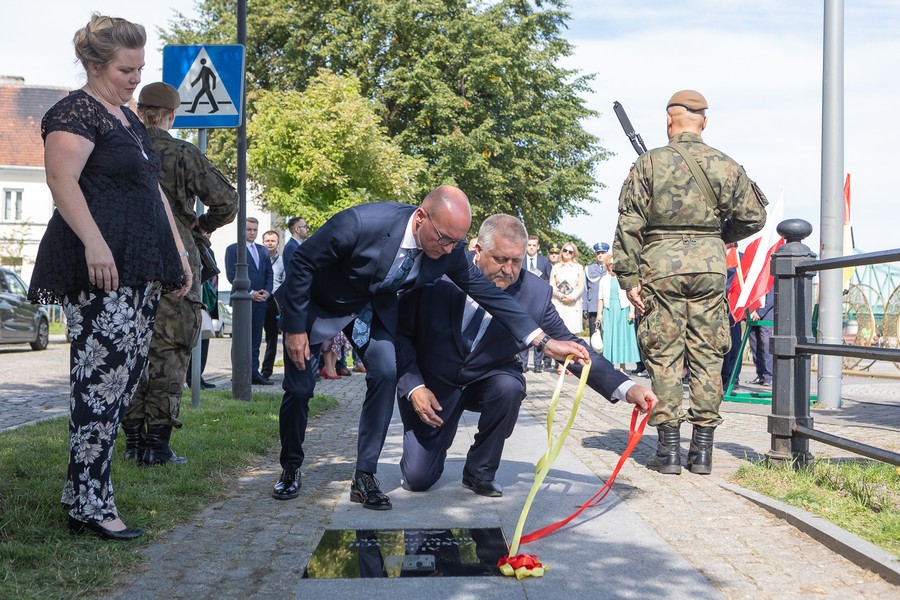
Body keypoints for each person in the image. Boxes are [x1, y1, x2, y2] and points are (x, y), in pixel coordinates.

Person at [273, 185, 589, 507]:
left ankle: (364, 475)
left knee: (386, 373)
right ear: (421, 217)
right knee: (299, 389)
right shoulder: (360, 222)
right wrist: (295, 327)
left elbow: (489, 295)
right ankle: (290, 467)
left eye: (457, 242)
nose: (450, 248)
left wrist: (543, 342)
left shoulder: (449, 251)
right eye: (444, 239)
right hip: (319, 306)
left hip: (374, 312)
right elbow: (302, 262)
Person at [26, 14, 191, 540]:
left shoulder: (127, 120)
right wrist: (95, 243)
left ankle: (83, 496)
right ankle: (92, 505)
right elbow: (61, 180)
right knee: (100, 387)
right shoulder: (74, 112)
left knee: (120, 386)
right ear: (95, 65)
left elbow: (152, 189)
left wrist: (178, 252)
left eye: (140, 68)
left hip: (138, 266)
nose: (136, 79)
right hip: (101, 268)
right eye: (126, 70)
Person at [396, 214, 655, 496]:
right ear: (478, 250)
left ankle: (479, 470)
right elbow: (401, 333)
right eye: (500, 259)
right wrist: (414, 386)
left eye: (516, 261)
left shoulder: (535, 293)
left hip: (489, 378)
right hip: (434, 385)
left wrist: (627, 388)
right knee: (418, 478)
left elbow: (570, 344)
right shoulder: (439, 272)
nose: (508, 270)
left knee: (508, 387)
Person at [612, 89, 768, 475]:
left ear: (669, 120)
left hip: (660, 267)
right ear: (705, 122)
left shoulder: (649, 163)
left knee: (663, 354)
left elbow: (630, 224)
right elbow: (755, 217)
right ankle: (702, 452)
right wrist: (715, 237)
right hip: (710, 269)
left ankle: (668, 452)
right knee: (707, 354)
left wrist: (629, 277)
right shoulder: (726, 165)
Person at [122, 82, 238, 467]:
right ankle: (157, 446)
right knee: (169, 350)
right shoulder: (183, 154)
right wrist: (201, 225)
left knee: (129, 348)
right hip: (175, 259)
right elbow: (227, 201)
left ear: (140, 111)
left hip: (123, 258)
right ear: (171, 116)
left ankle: (133, 441)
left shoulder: (120, 149)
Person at [225, 217, 274, 385]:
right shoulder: (233, 249)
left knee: (256, 339)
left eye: (255, 230)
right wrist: (251, 292)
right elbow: (232, 275)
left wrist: (266, 292)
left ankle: (254, 373)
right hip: (243, 301)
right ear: (242, 230)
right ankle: (239, 373)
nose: (252, 233)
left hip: (261, 301)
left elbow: (269, 273)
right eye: (249, 229)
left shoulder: (262, 250)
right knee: (241, 339)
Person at [596, 253, 641, 372]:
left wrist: (632, 311)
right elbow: (600, 298)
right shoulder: (604, 279)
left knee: (622, 338)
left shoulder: (623, 279)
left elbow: (631, 296)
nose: (612, 266)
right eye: (610, 264)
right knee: (608, 338)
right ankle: (609, 366)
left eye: (614, 264)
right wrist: (599, 314)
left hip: (623, 310)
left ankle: (622, 367)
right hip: (609, 310)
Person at [519, 234, 552, 372]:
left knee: (539, 331)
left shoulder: (544, 261)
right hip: (523, 298)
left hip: (539, 300)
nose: (531, 248)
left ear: (538, 247)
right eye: (529, 245)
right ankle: (523, 363)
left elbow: (550, 279)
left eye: (534, 245)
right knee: (524, 330)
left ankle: (538, 363)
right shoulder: (521, 260)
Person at [261, 229, 285, 380]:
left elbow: (284, 282)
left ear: (278, 243)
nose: (270, 243)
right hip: (258, 299)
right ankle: (250, 370)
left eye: (273, 241)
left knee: (272, 339)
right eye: (267, 241)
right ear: (263, 242)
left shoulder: (282, 262)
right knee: (253, 338)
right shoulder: (258, 258)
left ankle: (266, 371)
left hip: (274, 302)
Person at [549, 242, 584, 336]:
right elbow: (552, 285)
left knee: (572, 334)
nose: (567, 253)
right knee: (558, 333)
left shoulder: (579, 267)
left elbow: (580, 286)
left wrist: (572, 297)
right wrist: (561, 296)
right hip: (558, 302)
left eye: (570, 251)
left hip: (573, 304)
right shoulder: (555, 267)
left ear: (574, 254)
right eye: (565, 250)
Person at [747, 288, 774, 386]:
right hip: (752, 310)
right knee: (754, 341)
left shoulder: (770, 279)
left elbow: (771, 297)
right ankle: (760, 374)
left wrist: (760, 312)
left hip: (766, 311)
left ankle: (769, 375)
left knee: (765, 341)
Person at [583, 242, 609, 337]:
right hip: (593, 307)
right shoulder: (588, 269)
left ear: (607, 253)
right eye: (598, 253)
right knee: (594, 337)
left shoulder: (611, 268)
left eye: (603, 253)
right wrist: (584, 308)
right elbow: (585, 289)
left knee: (607, 335)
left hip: (607, 307)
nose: (600, 255)